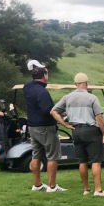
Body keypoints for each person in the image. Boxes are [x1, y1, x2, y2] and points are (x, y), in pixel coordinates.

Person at [50, 73, 104, 197]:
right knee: (96, 160)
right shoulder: (91, 98)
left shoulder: (67, 97)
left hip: (75, 130)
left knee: (82, 160)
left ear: (75, 84)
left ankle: (86, 189)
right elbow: (99, 116)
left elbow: (53, 111)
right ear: (87, 84)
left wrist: (65, 125)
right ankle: (98, 190)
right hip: (90, 130)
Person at [21, 60, 66, 192]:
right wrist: (61, 113)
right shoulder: (42, 92)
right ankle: (52, 186)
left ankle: (37, 184)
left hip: (32, 126)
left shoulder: (27, 87)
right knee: (53, 155)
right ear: (44, 76)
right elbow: (48, 110)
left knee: (36, 155)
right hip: (45, 127)